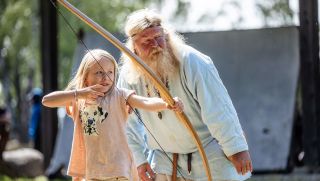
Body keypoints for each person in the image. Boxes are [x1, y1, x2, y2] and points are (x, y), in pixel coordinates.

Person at [117, 9, 253, 181]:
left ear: (166, 36)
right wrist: (140, 159)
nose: (156, 45)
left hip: (208, 151)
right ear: (134, 47)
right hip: (166, 158)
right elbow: (129, 122)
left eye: (159, 37)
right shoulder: (129, 76)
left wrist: (236, 148)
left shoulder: (192, 61)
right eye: (147, 41)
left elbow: (218, 108)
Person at [42, 49, 184, 181]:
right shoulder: (79, 100)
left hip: (119, 170)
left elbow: (145, 102)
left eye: (110, 72)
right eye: (99, 72)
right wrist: (79, 94)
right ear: (86, 77)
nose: (106, 77)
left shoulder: (120, 96)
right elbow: (46, 100)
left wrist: (167, 103)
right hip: (93, 171)